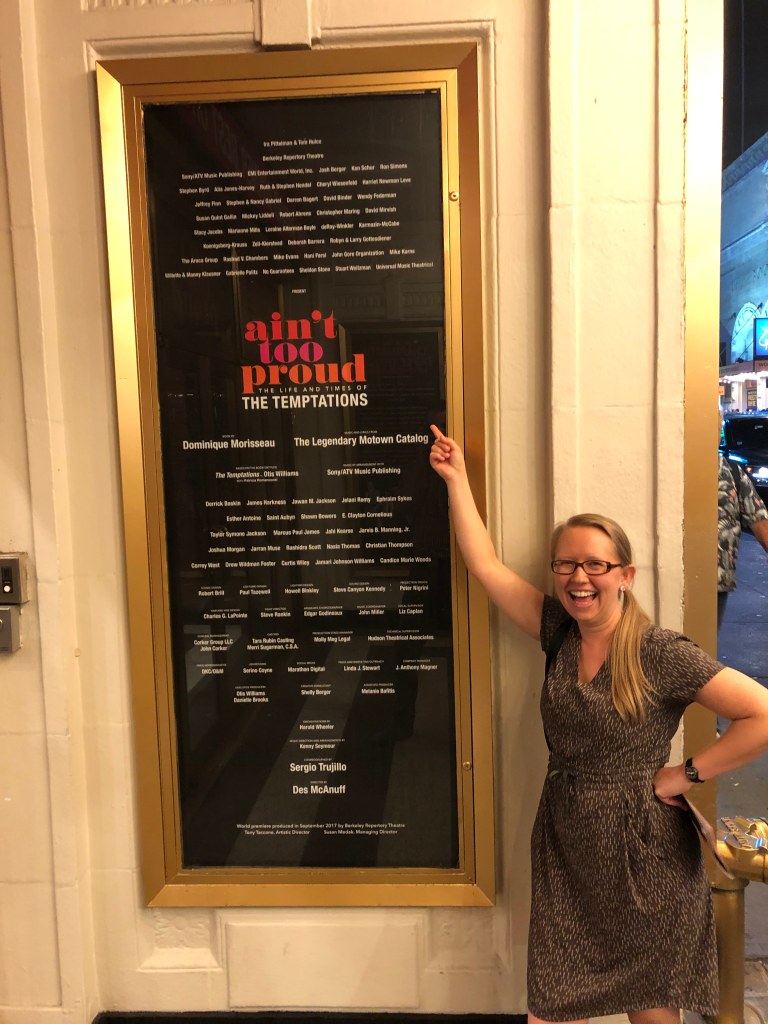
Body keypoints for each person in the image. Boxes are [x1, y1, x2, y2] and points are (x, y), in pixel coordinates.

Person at [429, 425, 768, 1024]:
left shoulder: (659, 652)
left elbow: (760, 714)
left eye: (595, 564)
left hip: (645, 849)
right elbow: (485, 566)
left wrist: (685, 774)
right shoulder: (558, 631)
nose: (578, 577)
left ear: (625, 575)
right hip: (566, 841)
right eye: (566, 564)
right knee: (552, 1006)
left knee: (651, 1008)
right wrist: (456, 479)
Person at [718, 452, 768, 630]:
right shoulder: (676, 465)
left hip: (718, 581)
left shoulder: (732, 472)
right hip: (677, 574)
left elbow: (760, 520)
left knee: (703, 643)